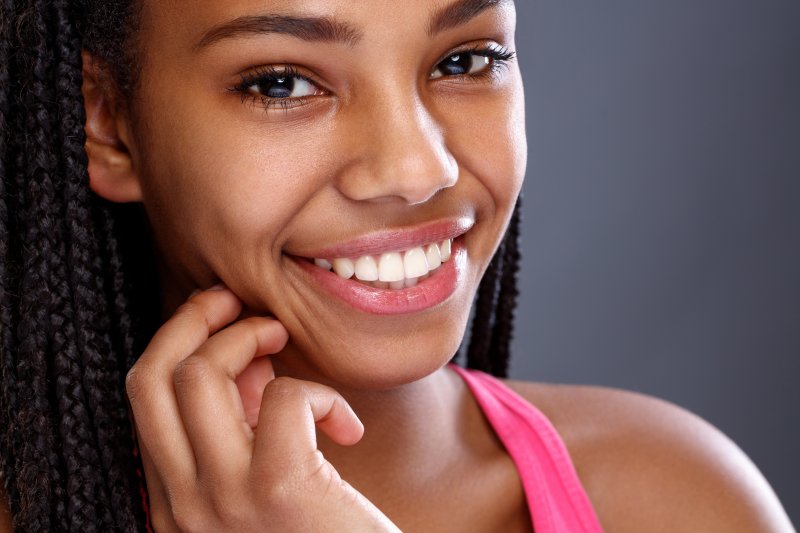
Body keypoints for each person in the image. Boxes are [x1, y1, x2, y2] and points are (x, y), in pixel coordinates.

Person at [0, 0, 794, 531]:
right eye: (282, 82)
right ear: (106, 124)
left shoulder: (676, 501)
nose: (418, 169)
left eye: (465, 61)